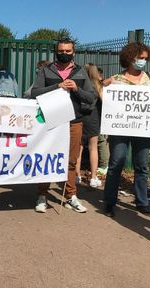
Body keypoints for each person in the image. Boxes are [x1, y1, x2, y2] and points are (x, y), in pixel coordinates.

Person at [30, 38, 97, 213]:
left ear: (73, 52)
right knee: (47, 157)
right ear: (56, 51)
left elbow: (91, 97)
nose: (64, 54)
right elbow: (34, 93)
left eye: (68, 51)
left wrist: (76, 89)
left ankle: (70, 196)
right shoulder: (47, 70)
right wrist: (56, 86)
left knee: (71, 159)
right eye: (61, 51)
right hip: (50, 122)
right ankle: (42, 194)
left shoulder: (81, 71)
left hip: (74, 121)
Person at [103, 42, 150, 218]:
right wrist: (105, 86)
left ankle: (142, 202)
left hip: (143, 129)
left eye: (145, 58)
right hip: (120, 128)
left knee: (142, 165)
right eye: (140, 58)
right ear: (130, 58)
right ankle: (109, 202)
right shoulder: (116, 79)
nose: (143, 61)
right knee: (116, 162)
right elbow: (104, 99)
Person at [77, 63, 103, 188]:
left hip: (80, 117)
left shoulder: (79, 85)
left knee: (78, 148)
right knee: (93, 148)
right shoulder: (98, 86)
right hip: (94, 118)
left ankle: (77, 176)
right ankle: (93, 177)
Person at [96, 67, 109, 175]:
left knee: (101, 141)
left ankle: (104, 166)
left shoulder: (101, 86)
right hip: (103, 117)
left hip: (101, 117)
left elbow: (104, 100)